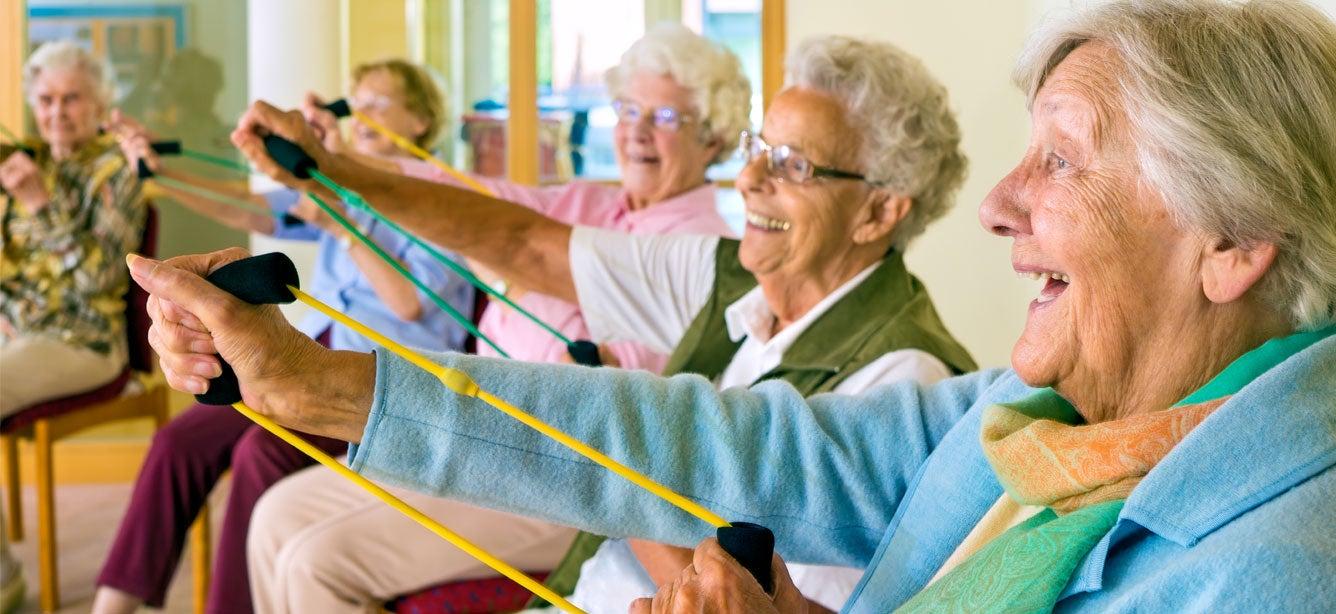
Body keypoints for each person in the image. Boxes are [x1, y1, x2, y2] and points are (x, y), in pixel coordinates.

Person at [138, 0, 1336, 610]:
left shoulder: (1280, 570)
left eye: (1063, 161)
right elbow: (707, 431)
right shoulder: (1038, 408)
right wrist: (326, 383)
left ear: (1228, 241)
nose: (1002, 207)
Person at [246, 25, 749, 613]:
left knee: (314, 561)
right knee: (274, 517)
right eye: (628, 109)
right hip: (468, 433)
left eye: (664, 117)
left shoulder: (703, 244)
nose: (635, 130)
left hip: (562, 475)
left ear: (712, 138)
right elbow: (472, 201)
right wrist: (335, 161)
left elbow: (625, 390)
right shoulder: (589, 203)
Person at [90, 59, 475, 614]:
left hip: (388, 388)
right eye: (356, 98)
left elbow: (411, 304)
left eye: (379, 102)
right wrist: (160, 172)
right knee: (179, 443)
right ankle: (112, 605)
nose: (360, 112)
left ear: (420, 120)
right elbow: (243, 205)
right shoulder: (338, 187)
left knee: (260, 452)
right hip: (314, 363)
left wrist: (342, 221)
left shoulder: (440, 199)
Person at [1, 41, 151, 612]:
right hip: (18, 336)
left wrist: (41, 204)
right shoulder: (29, 159)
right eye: (45, 99)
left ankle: (3, 582)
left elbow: (103, 277)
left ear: (99, 103)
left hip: (84, 342)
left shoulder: (116, 170)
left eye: (72, 99)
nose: (57, 111)